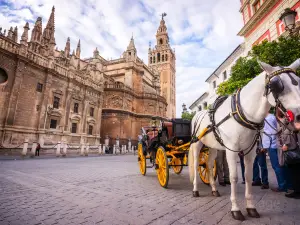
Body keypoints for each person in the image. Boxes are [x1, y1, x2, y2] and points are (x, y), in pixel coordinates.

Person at [263, 109, 292, 192]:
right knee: (282, 164)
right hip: (277, 144)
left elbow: (272, 132)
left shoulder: (268, 119)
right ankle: (288, 184)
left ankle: (282, 185)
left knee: (276, 166)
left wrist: (265, 146)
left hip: (272, 145)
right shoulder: (272, 118)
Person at [277, 114, 300, 198]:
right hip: (292, 150)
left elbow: (291, 135)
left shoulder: (290, 124)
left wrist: (286, 144)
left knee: (296, 172)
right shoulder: (287, 124)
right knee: (293, 172)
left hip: (294, 150)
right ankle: (296, 190)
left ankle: (297, 192)